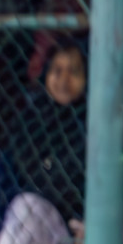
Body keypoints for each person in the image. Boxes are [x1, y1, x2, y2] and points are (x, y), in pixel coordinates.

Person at [20, 41, 88, 225]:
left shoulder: (92, 121)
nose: (64, 81)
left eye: (73, 72)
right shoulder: (33, 118)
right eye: (57, 71)